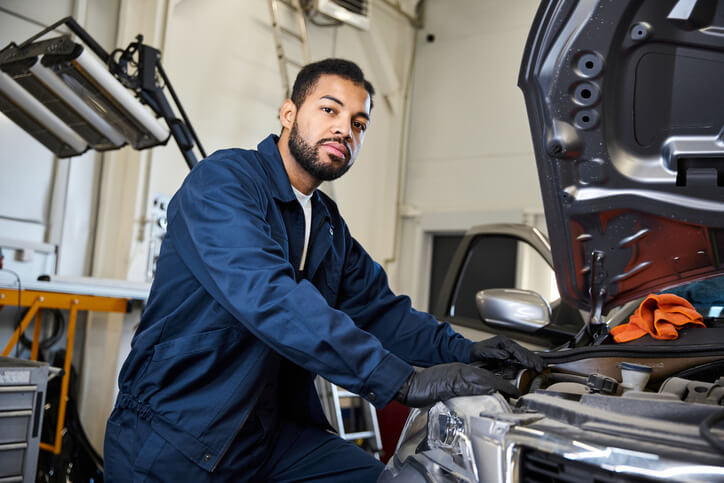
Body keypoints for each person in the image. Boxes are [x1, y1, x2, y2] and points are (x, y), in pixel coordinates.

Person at [103, 58, 544, 482]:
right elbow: (271, 297)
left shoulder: (327, 226)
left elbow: (381, 312)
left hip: (268, 435)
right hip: (176, 431)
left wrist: (466, 352)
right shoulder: (223, 181)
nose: (343, 129)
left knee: (385, 479)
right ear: (288, 113)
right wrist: (403, 381)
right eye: (329, 109)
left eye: (358, 123)